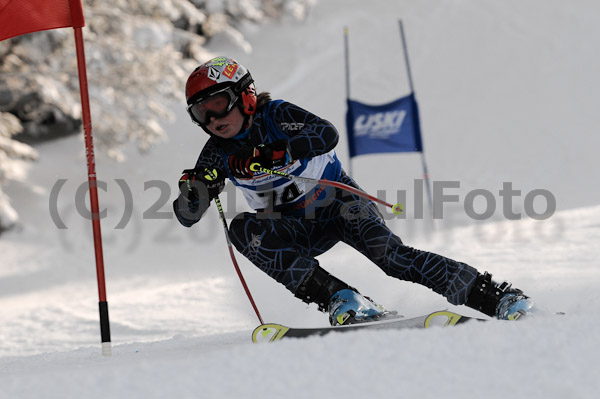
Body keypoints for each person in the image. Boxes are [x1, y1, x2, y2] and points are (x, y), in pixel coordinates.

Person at [173, 56, 534, 326]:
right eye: (199, 113)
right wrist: (195, 192)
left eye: (217, 104)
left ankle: (496, 297)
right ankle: (342, 299)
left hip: (338, 204)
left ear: (245, 95)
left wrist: (275, 152)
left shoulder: (276, 115)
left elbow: (326, 134)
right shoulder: (217, 152)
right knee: (241, 229)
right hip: (294, 227)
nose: (211, 119)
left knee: (391, 258)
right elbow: (188, 216)